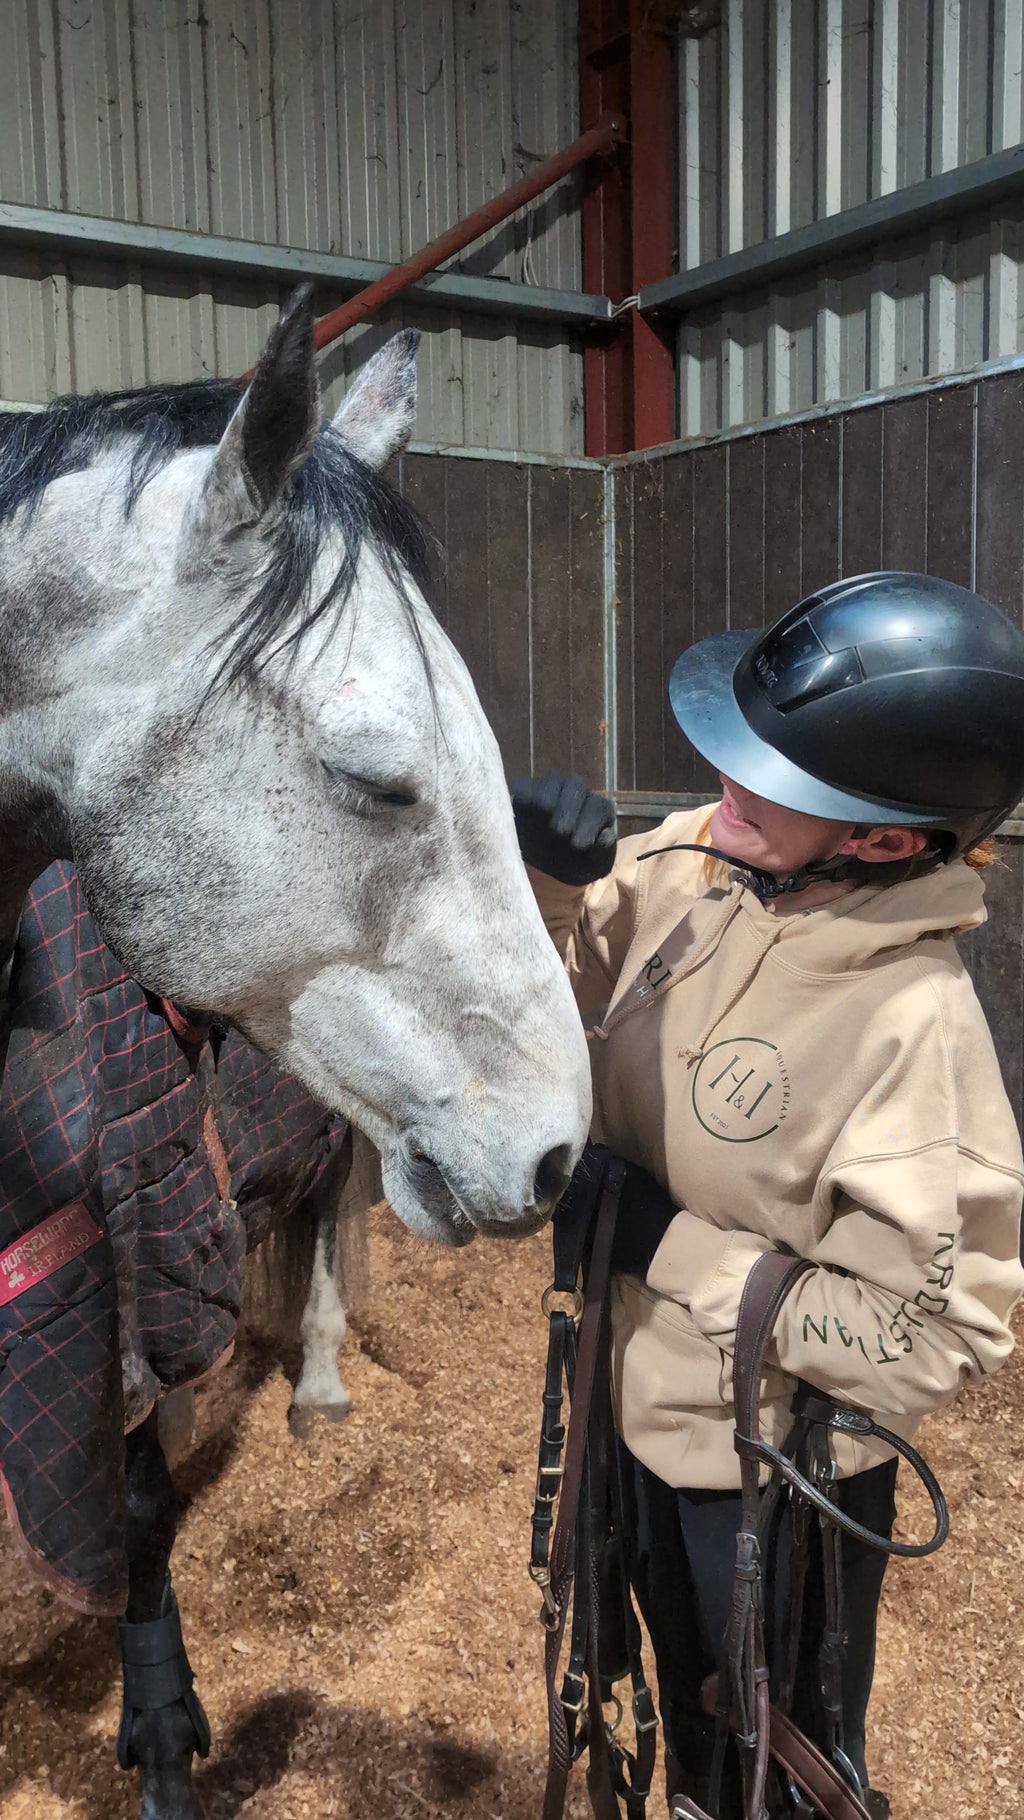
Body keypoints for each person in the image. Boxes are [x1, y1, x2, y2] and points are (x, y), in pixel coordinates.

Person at [513, 572, 1024, 1819]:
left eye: (772, 777)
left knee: (775, 1757)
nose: (725, 783)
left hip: (771, 1476)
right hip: (632, 1411)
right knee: (681, 1719)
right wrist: (546, 879)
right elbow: (571, 967)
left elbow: (931, 1335)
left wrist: (669, 1248)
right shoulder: (709, 860)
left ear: (886, 840)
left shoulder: (913, 1026)